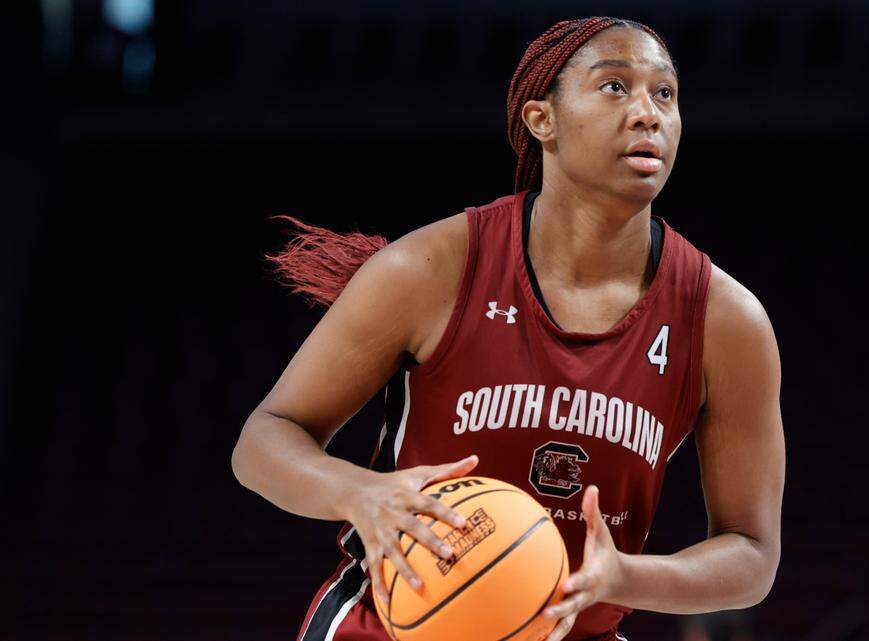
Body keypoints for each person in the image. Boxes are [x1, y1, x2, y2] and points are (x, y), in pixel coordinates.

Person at [231, 15, 784, 641]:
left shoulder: (724, 320)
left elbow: (752, 553)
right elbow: (264, 441)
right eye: (613, 86)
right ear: (540, 120)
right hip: (396, 623)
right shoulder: (432, 268)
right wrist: (360, 494)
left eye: (665, 94)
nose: (647, 113)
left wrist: (625, 577)